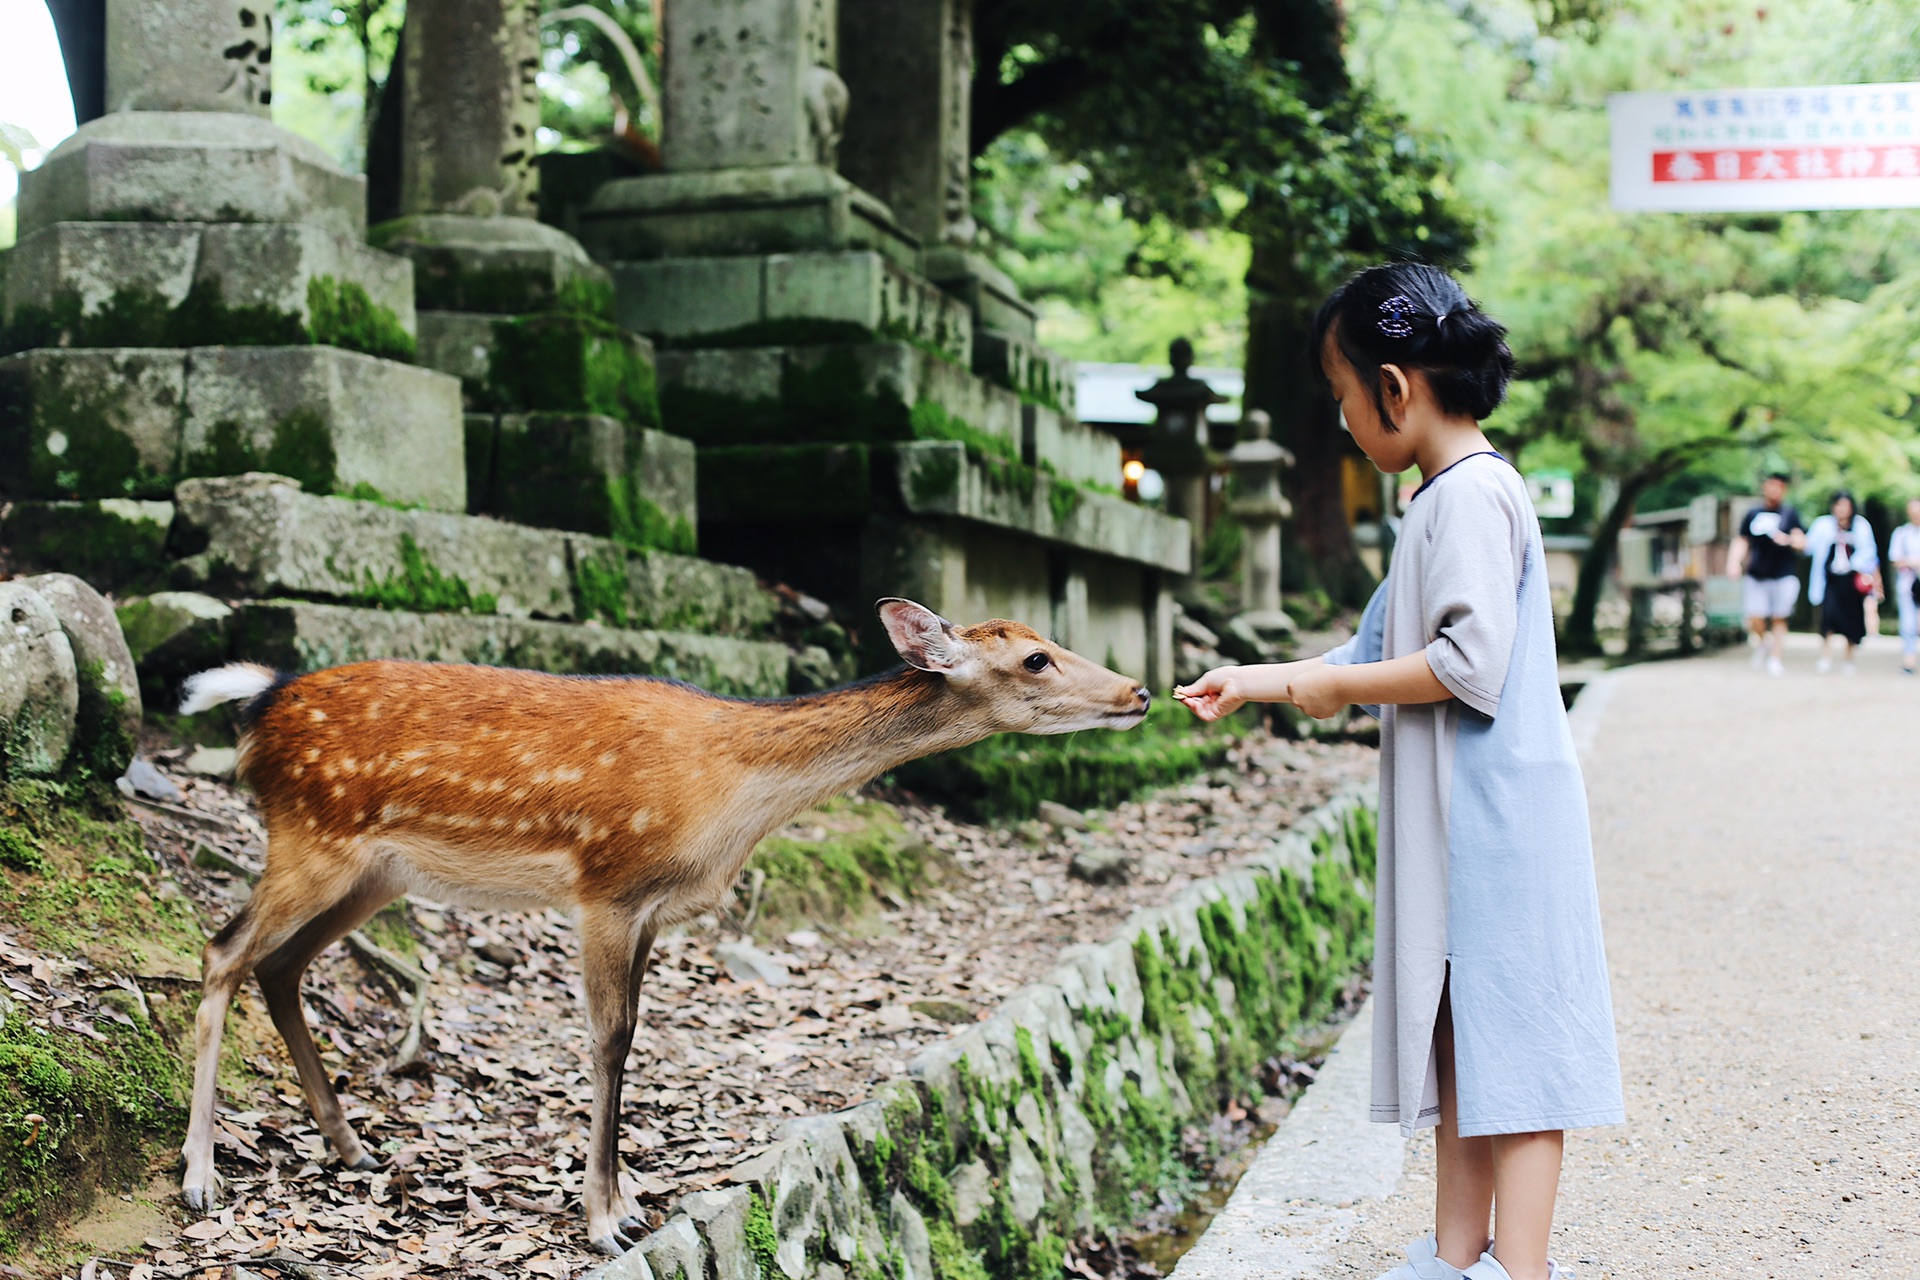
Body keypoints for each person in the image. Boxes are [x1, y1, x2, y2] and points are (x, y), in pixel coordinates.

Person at [1175, 264, 1622, 1280]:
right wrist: (1264, 680)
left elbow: (1469, 664)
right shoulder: (1440, 501)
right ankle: (1456, 1256)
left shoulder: (1471, 496)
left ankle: (1524, 1266)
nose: (1341, 421)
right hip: (1469, 820)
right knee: (1466, 1039)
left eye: (1340, 397)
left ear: (1393, 386)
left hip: (1500, 820)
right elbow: (1366, 650)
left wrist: (1328, 688)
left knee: (1523, 1061)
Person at [1725, 472, 1806, 676]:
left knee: (1780, 617)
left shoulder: (1790, 513)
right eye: (1771, 485)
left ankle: (1775, 658)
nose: (1774, 489)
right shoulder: (1753, 514)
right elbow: (1742, 539)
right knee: (1755, 615)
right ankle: (1763, 643)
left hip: (1784, 573)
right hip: (1757, 573)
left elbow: (1802, 541)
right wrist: (1734, 562)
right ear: (1764, 487)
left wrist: (1787, 540)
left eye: (1779, 486)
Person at [1804, 490, 1880, 675]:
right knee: (1828, 618)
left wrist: (1865, 572)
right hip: (1829, 579)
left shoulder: (1860, 527)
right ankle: (1826, 656)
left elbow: (1870, 552)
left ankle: (1849, 658)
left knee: (1851, 619)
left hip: (1851, 580)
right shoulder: (1823, 525)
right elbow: (1808, 546)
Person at [1888, 498, 1920, 674]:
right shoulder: (1902, 533)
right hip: (1908, 586)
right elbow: (1895, 559)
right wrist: (1911, 562)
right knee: (1908, 624)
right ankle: (1909, 661)